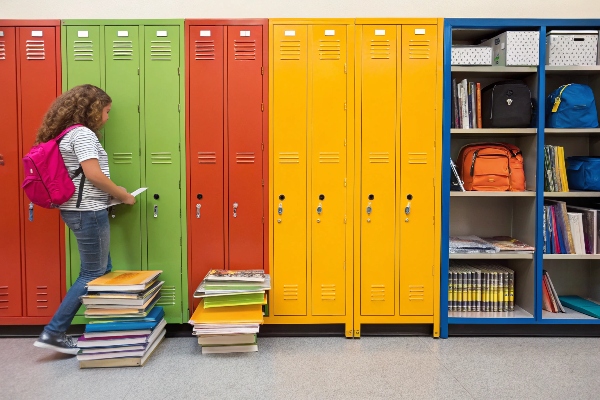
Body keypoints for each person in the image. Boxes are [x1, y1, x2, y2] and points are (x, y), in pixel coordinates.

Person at [33, 84, 136, 355]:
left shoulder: (66, 134)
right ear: (92, 110)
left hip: (79, 210)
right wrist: (122, 195)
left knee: (102, 270)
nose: (108, 117)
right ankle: (53, 333)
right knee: (92, 273)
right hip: (87, 212)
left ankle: (107, 330)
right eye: (106, 111)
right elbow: (94, 175)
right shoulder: (83, 135)